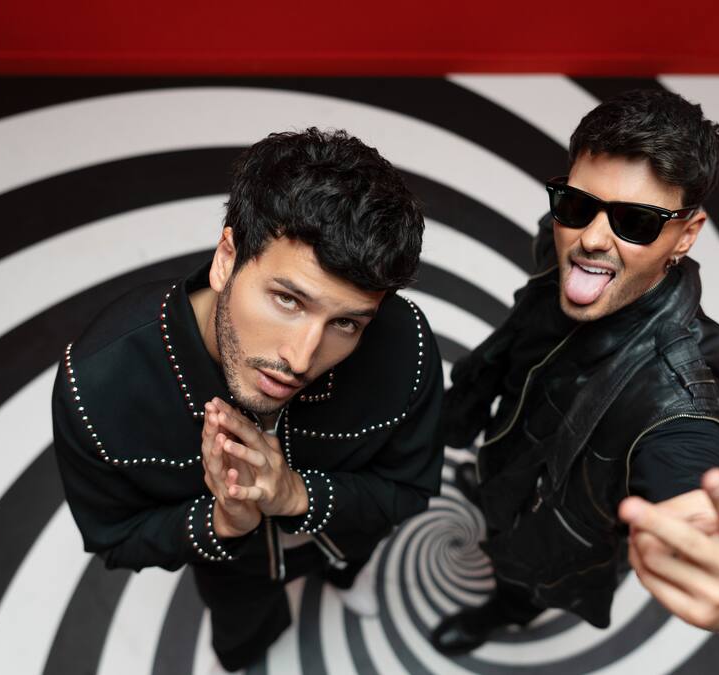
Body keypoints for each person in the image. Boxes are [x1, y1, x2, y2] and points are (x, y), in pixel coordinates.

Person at [52, 128, 445, 671]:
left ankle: (342, 577)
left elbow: (408, 491)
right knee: (242, 638)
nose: (302, 358)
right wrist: (223, 521)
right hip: (232, 573)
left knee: (348, 563)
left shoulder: (406, 346)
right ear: (226, 257)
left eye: (346, 323)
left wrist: (296, 494)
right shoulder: (97, 385)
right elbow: (116, 538)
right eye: (287, 300)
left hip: (345, 537)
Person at [431, 89, 719, 654]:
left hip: (557, 531)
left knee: (520, 586)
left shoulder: (679, 395)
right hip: (509, 452)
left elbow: (688, 478)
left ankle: (505, 611)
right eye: (576, 204)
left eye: (635, 221)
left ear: (687, 235)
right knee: (495, 496)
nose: (590, 238)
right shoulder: (565, 242)